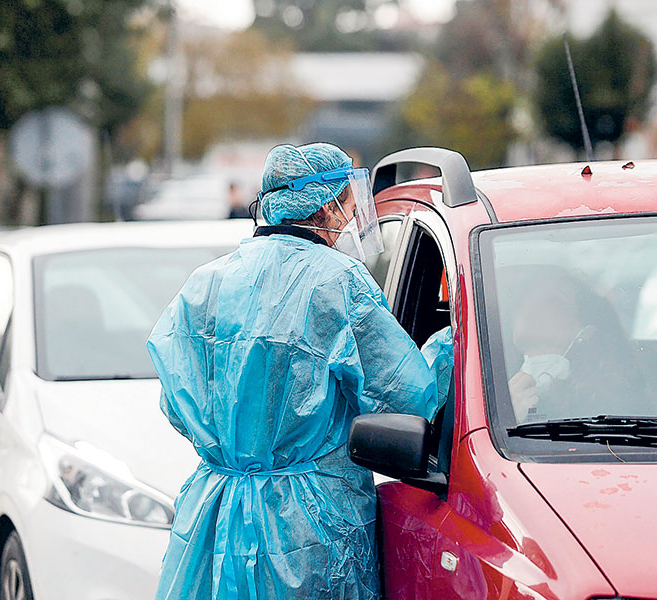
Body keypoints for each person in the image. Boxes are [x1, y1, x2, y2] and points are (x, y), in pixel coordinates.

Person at [147, 142, 445, 600]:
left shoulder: (206, 283)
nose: (350, 217)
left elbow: (176, 401)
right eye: (347, 203)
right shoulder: (337, 280)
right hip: (309, 524)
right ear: (325, 207)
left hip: (217, 515)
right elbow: (407, 395)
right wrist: (447, 347)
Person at [505, 267, 643, 423]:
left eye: (553, 300)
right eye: (526, 297)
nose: (531, 305)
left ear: (585, 332)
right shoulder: (486, 382)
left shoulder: (605, 398)